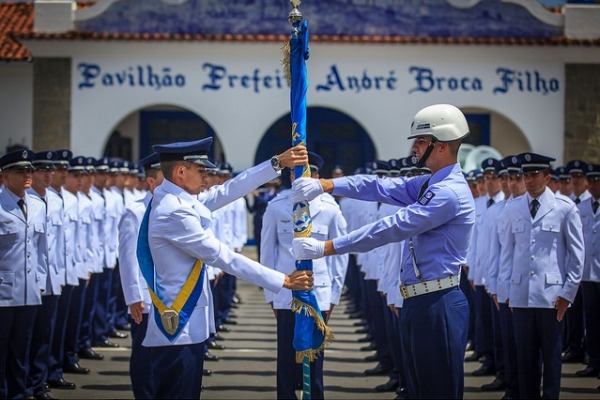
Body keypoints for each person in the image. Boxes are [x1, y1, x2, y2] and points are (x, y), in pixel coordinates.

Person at [291, 103, 475, 399]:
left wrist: (327, 247)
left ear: (440, 146)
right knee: (418, 389)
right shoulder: (431, 183)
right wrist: (326, 184)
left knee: (436, 390)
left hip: (437, 302)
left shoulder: (447, 193)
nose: (415, 148)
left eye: (420, 141)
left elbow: (393, 227)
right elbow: (379, 187)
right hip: (421, 300)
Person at [141, 137, 313, 399]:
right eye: (201, 172)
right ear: (180, 172)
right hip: (178, 327)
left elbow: (230, 189)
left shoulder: (177, 200)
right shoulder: (173, 211)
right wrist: (283, 280)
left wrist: (277, 163)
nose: (207, 179)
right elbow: (222, 256)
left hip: (185, 326)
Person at [261, 151, 348, 399]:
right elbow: (267, 253)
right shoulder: (276, 207)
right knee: (286, 360)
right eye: (293, 172)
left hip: (318, 294)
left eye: (304, 173)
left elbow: (340, 258)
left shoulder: (330, 209)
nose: (296, 178)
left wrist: (333, 297)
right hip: (286, 294)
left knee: (314, 360)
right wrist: (271, 294)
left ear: (316, 176)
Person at [502, 152, 584, 399]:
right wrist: (507, 294)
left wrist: (567, 294)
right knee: (525, 361)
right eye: (525, 174)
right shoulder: (513, 207)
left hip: (552, 298)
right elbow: (507, 254)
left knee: (551, 360)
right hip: (521, 296)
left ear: (547, 177)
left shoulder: (564, 208)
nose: (528, 180)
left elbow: (576, 256)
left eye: (534, 175)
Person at [0, 149, 48, 399]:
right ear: (5, 176)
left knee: (21, 350)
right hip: (3, 293)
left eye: (29, 170)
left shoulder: (38, 206)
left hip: (29, 292)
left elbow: (40, 250)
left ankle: (18, 394)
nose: (27, 175)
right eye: (20, 171)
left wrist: (39, 280)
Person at [118, 152, 162, 399]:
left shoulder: (177, 209)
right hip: (144, 299)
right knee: (144, 354)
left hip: (171, 297)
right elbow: (127, 257)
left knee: (165, 356)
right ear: (152, 182)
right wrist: (133, 296)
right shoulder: (135, 212)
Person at [26, 151, 65, 400]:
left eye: (50, 171)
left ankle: (38, 384)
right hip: (31, 279)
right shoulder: (25, 200)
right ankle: (24, 384)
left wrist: (60, 273)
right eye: (43, 171)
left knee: (45, 333)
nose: (48, 175)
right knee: (26, 335)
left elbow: (59, 242)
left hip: (53, 277)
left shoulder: (57, 200)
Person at [575, 163, 600, 378]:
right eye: (590, 181)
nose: (593, 185)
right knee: (591, 320)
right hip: (588, 273)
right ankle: (594, 361)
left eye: (596, 180)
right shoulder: (582, 208)